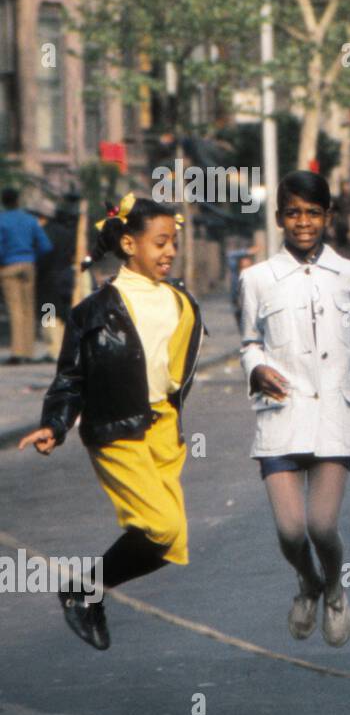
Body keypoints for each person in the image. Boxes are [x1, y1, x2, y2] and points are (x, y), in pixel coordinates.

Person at [19, 195, 202, 650]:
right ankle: (83, 592)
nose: (170, 252)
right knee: (162, 527)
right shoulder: (94, 311)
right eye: (160, 242)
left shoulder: (182, 301)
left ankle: (88, 593)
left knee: (171, 543)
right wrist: (55, 424)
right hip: (117, 429)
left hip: (163, 430)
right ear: (128, 242)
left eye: (173, 243)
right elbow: (71, 377)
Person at [239, 171, 350, 648]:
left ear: (328, 216)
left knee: (322, 525)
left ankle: (336, 589)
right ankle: (309, 583)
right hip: (282, 411)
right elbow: (249, 341)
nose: (303, 222)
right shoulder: (256, 278)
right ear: (280, 217)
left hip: (334, 415)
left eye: (313, 212)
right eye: (293, 213)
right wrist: (256, 368)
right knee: (290, 530)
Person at [1, 187, 53, 364]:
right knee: (28, 309)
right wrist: (32, 257)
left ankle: (17, 352)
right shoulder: (30, 220)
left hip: (9, 266)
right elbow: (46, 246)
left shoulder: (2, 220)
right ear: (18, 201)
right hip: (29, 264)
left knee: (15, 309)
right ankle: (28, 351)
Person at [32, 198, 76, 362]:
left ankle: (53, 348)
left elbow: (42, 255)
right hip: (65, 276)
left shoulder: (43, 232)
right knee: (61, 314)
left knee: (47, 314)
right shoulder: (65, 232)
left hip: (47, 278)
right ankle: (61, 348)